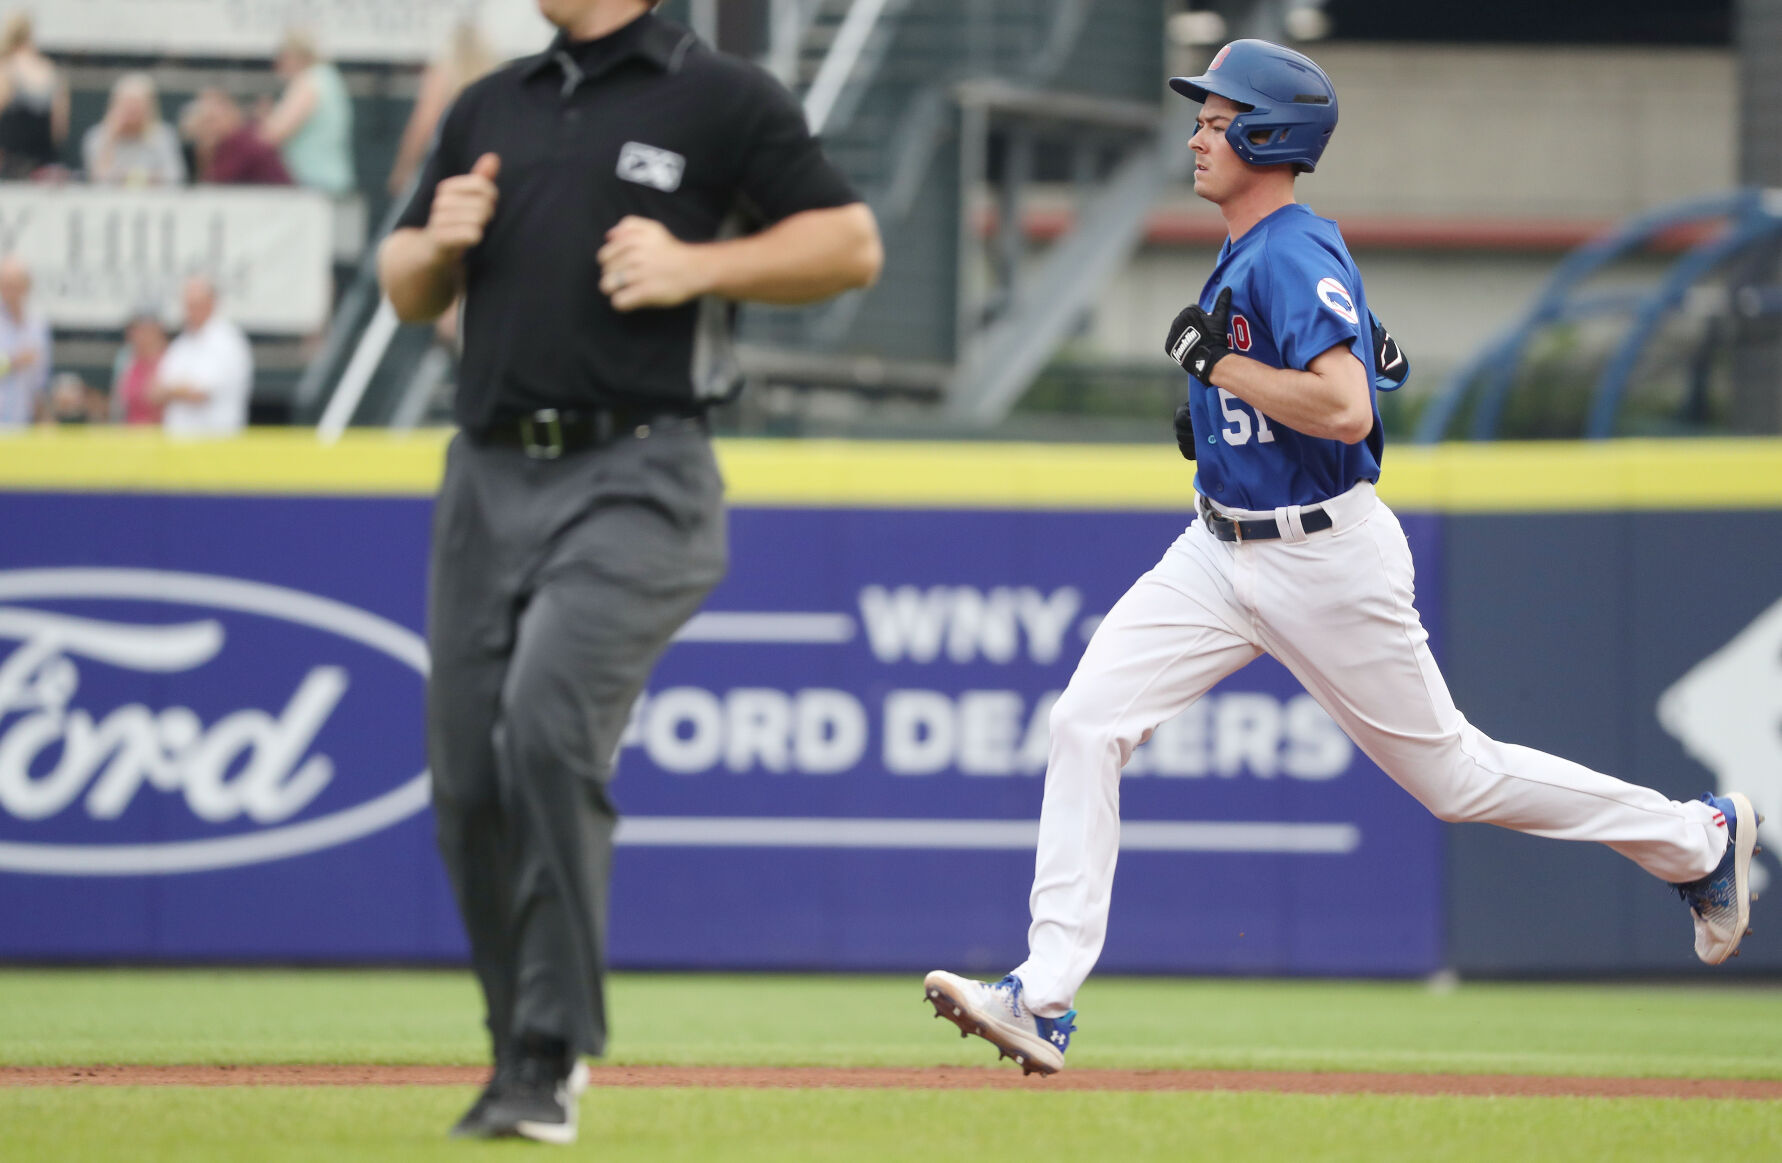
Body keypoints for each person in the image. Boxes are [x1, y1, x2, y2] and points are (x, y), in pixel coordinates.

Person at [921, 39, 1758, 1077]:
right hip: (1219, 548)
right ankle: (1043, 995)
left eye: (1218, 119)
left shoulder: (1286, 249)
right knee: (1086, 720)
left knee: (1454, 776)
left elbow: (1346, 402)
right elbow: (1355, 372)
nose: (1197, 133)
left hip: (1324, 559)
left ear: (1270, 135)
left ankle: (1696, 836)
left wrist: (1224, 366)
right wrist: (1230, 402)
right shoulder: (1266, 247)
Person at [377, 0, 881, 1143]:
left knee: (545, 721)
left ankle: (548, 1053)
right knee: (464, 775)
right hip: (489, 474)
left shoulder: (722, 97)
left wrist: (700, 263)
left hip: (641, 472)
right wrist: (433, 243)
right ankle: (519, 1046)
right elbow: (405, 286)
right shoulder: (491, 104)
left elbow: (849, 245)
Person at [386, 19, 496, 198]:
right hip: (484, 171)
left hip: (446, 170)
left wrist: (403, 169)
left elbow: (423, 124)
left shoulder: (443, 75)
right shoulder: (495, 77)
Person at [152, 275, 252, 436]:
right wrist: (178, 389)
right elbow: (153, 392)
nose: (190, 310)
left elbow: (199, 394)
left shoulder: (227, 341)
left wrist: (171, 390)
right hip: (179, 446)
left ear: (212, 303)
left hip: (216, 445)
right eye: (187, 304)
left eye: (196, 304)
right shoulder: (182, 343)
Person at [258, 29, 355, 196]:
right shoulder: (329, 78)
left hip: (314, 183)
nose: (278, 64)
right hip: (332, 180)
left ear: (295, 56)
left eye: (282, 57)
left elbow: (274, 134)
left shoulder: (308, 81)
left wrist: (263, 120)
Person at [82, 72, 184, 186]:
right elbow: (98, 182)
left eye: (138, 105)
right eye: (128, 104)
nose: (132, 111)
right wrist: (110, 139)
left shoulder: (163, 136)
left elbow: (174, 179)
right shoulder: (97, 136)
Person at [0, 12, 68, 179]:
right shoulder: (51, 71)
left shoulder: (7, 68)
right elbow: (59, 128)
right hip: (45, 162)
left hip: (11, 161)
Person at [183, 89, 291, 185]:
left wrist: (206, 149)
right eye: (205, 122)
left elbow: (214, 181)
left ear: (232, 112)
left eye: (212, 120)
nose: (211, 128)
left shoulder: (243, 142)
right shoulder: (234, 141)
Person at [0, 254, 49, 428]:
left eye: (15, 286)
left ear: (26, 287)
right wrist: (13, 361)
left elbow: (40, 379)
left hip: (24, 422)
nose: (10, 292)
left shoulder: (37, 325)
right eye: (6, 286)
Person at [109, 310, 169, 425]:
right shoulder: (126, 358)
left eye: (147, 331)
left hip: (161, 434)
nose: (140, 336)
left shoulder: (171, 359)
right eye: (136, 331)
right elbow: (119, 403)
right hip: (132, 433)